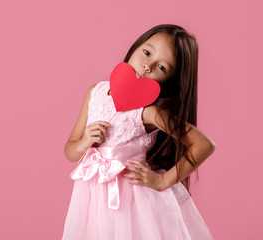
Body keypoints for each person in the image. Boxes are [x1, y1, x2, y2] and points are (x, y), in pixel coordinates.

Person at [62, 24, 216, 240]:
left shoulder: (150, 113)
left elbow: (204, 144)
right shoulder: (95, 92)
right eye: (146, 53)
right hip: (91, 197)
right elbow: (70, 152)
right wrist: (84, 142)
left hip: (131, 199)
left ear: (169, 81)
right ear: (136, 47)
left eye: (161, 67)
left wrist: (163, 181)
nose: (147, 66)